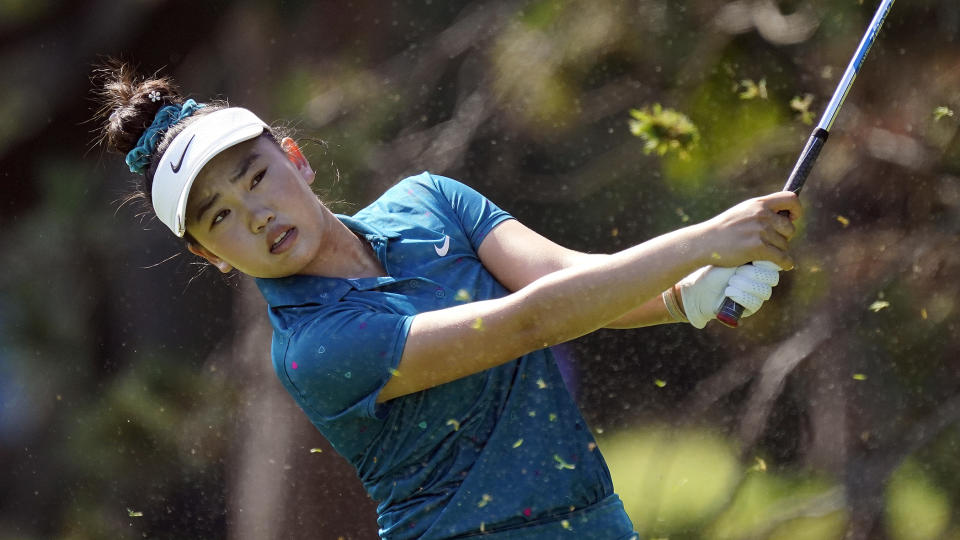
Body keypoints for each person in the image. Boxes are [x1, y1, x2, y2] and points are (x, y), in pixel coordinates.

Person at [94, 62, 800, 539]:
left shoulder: (430, 201)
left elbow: (562, 275)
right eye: (219, 217)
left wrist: (685, 295)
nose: (253, 215)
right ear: (209, 256)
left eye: (254, 177)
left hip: (596, 521)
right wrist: (705, 241)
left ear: (296, 156)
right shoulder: (314, 349)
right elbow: (529, 320)